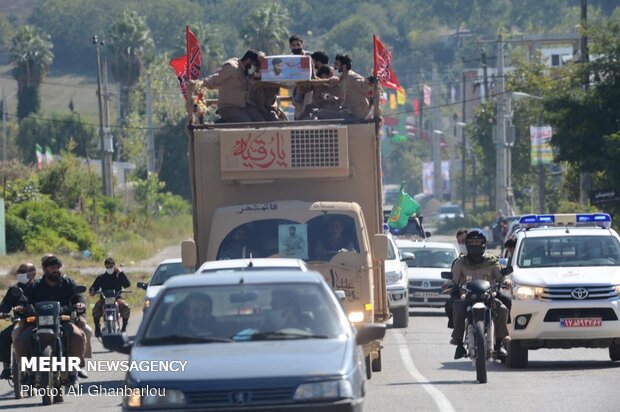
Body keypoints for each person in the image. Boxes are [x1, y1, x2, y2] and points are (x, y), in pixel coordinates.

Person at [12, 255, 88, 385]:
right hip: (38, 322)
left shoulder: (67, 282)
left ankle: (73, 372)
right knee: (21, 340)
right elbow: (25, 300)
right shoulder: (35, 285)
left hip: (63, 320)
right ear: (45, 269)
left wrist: (80, 304)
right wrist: (22, 307)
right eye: (52, 267)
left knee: (78, 336)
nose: (56, 270)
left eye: (58, 267)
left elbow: (78, 297)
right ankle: (29, 372)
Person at [449, 229, 511, 359]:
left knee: (503, 309)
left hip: (488, 296)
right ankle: (459, 343)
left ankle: (499, 344)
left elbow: (500, 277)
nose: (475, 245)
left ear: (484, 243)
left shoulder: (492, 261)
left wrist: (506, 281)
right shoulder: (460, 262)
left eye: (478, 242)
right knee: (458, 308)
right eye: (472, 242)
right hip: (467, 296)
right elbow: (453, 279)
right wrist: (450, 284)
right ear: (467, 244)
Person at [201, 50, 266, 123]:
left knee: (260, 121)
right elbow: (216, 78)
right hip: (228, 107)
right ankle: (222, 123)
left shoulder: (246, 72)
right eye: (255, 66)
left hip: (243, 106)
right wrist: (200, 83)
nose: (255, 69)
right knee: (246, 123)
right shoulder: (232, 67)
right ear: (248, 61)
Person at [0, 263, 36, 379]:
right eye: (20, 271)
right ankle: (7, 368)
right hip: (20, 321)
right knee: (4, 336)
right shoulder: (14, 289)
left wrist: (28, 309)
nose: (21, 274)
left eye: (24, 271)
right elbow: (6, 304)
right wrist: (2, 312)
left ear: (33, 273)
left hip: (38, 321)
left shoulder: (39, 286)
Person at [89, 257, 131, 337]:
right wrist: (92, 290)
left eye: (111, 266)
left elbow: (127, 284)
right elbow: (94, 287)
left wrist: (121, 273)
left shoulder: (119, 276)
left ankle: (123, 329)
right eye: (107, 267)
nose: (109, 268)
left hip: (117, 298)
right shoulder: (101, 277)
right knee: (95, 310)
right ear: (105, 267)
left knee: (126, 307)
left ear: (114, 266)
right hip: (104, 299)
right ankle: (97, 329)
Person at [333, 54, 372, 121]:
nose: (335, 66)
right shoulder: (343, 77)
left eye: (337, 64)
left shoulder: (352, 77)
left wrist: (368, 82)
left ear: (344, 66)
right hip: (350, 111)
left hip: (359, 113)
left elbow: (365, 87)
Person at [444, 229, 468, 328]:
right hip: (463, 292)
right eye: (460, 242)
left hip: (482, 291)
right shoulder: (458, 262)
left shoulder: (485, 258)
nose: (462, 244)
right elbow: (454, 278)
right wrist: (449, 284)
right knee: (450, 304)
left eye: (465, 241)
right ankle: (457, 333)